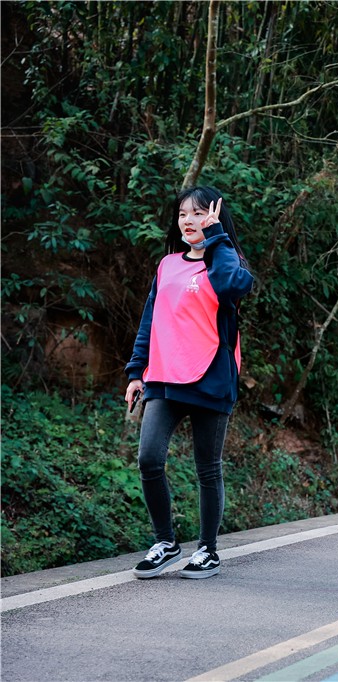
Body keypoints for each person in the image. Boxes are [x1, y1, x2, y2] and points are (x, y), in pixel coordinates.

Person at [124, 186, 254, 579]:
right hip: (164, 377)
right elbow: (150, 320)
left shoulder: (226, 262)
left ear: (214, 219)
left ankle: (207, 550)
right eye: (183, 214)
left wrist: (217, 239)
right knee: (149, 459)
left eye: (198, 213)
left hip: (211, 377)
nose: (188, 221)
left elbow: (234, 286)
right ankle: (165, 542)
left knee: (207, 468)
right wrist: (136, 372)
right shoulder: (167, 265)